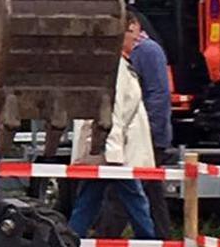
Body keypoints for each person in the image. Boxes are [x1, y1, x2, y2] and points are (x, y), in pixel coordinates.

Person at [67, 21, 158, 239]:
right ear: (119, 35)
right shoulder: (116, 68)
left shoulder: (115, 65)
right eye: (132, 32)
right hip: (113, 151)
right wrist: (114, 151)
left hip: (105, 149)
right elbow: (112, 111)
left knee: (89, 200)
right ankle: (150, 242)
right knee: (135, 200)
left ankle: (68, 239)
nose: (137, 38)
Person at [96, 12, 175, 237]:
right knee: (149, 195)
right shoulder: (139, 52)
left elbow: (158, 96)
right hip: (141, 138)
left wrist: (150, 136)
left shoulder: (147, 52)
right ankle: (159, 238)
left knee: (122, 196)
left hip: (144, 138)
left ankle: (106, 238)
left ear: (134, 27)